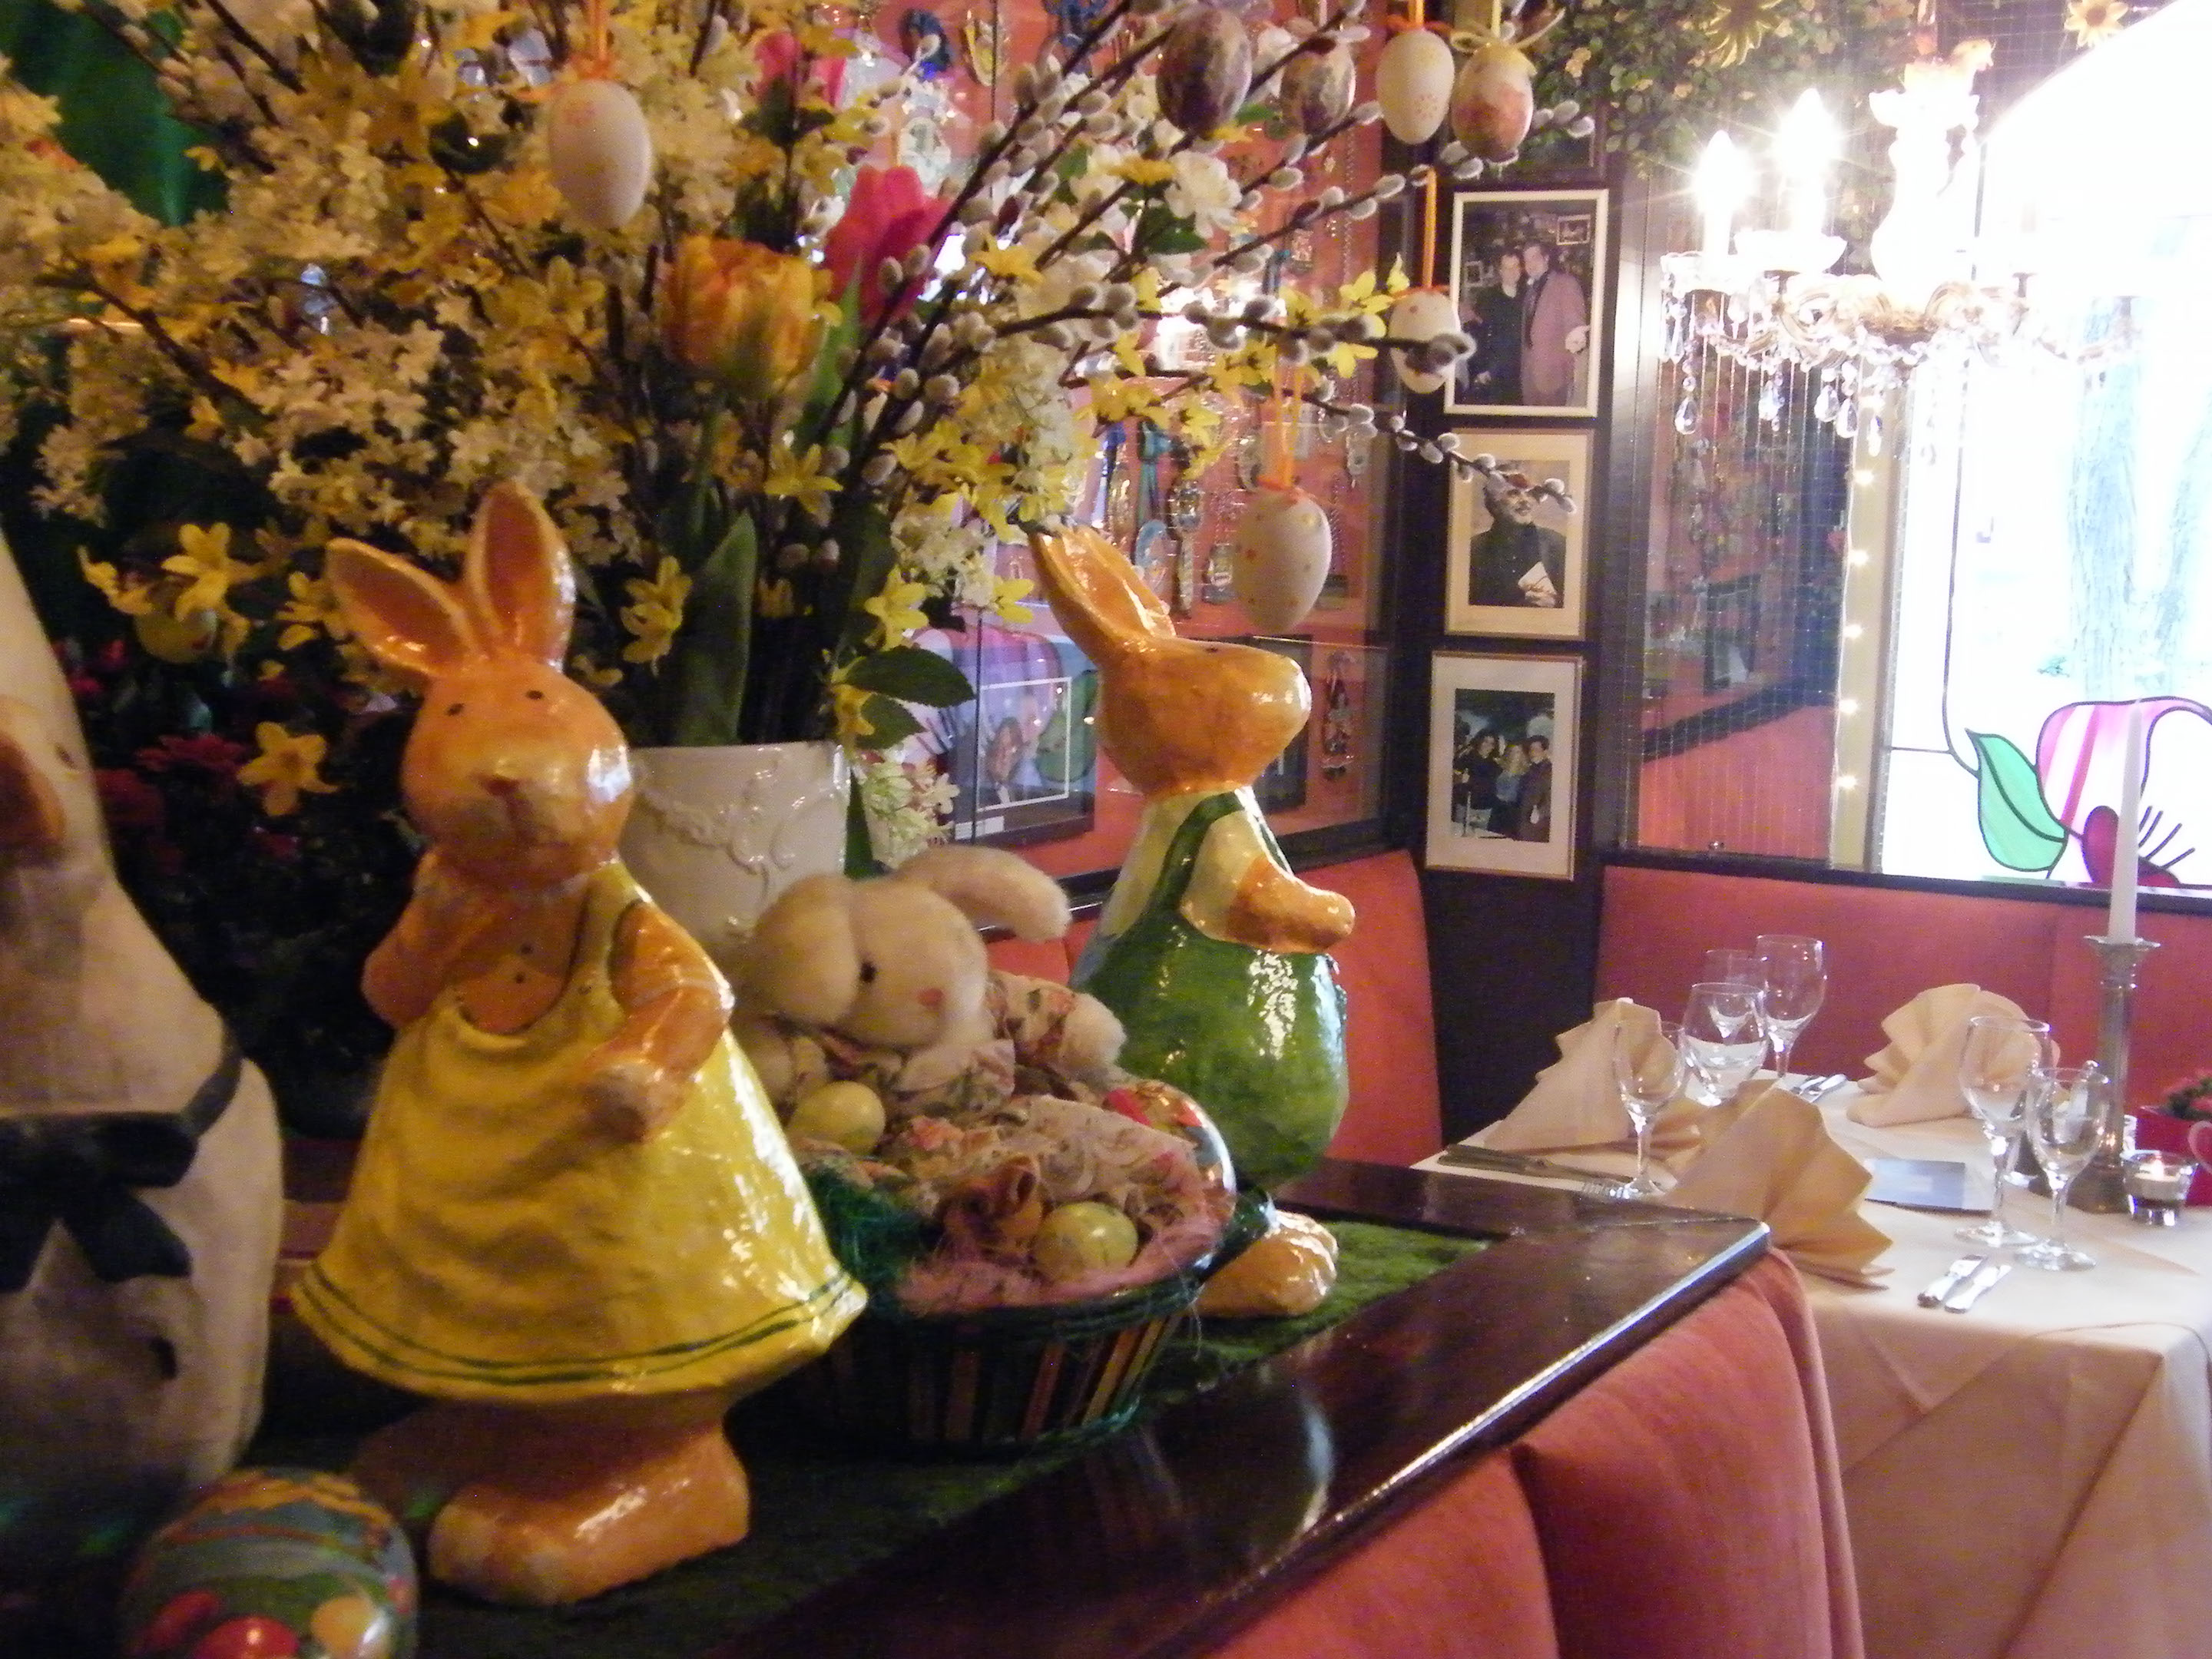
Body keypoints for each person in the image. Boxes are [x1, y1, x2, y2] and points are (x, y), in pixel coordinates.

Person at [1468, 472, 1567, 609]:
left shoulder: (1557, 544)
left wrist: (1555, 604)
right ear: (1494, 504)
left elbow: (1574, 603)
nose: (1525, 500)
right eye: (1514, 493)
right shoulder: (1473, 549)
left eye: (1529, 493)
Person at [1518, 238, 1590, 408]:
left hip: (1554, 376)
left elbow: (1575, 324)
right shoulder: (1530, 291)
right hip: (1529, 375)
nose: (1530, 264)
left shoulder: (1566, 283)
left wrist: (1577, 338)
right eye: (1527, 260)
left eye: (1535, 258)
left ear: (1546, 258)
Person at [1464, 249, 1524, 405]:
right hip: (1494, 370)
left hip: (1521, 370)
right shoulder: (1488, 297)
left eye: (1515, 266)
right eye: (1507, 268)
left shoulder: (1527, 296)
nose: (1512, 272)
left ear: (1521, 269)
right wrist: (1481, 368)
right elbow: (1475, 333)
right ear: (1500, 271)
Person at [1516, 734, 1554, 842]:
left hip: (1538, 821)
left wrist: (1540, 813)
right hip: (1525, 818)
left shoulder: (1549, 771)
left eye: (1537, 750)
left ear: (1545, 751)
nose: (1532, 753)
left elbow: (1548, 797)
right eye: (1531, 750)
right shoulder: (1530, 769)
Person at [1492, 740, 1527, 838]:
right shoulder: (1499, 768)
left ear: (1522, 755)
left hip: (1513, 811)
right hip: (1497, 809)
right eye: (1511, 751)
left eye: (1517, 752)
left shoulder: (1525, 773)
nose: (1514, 755)